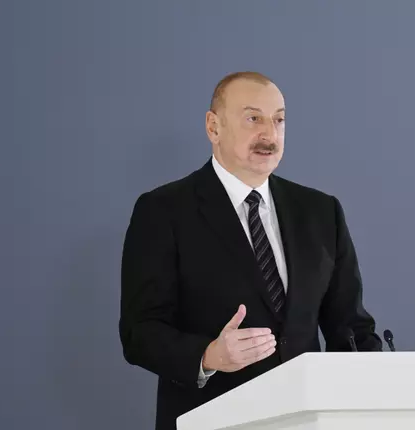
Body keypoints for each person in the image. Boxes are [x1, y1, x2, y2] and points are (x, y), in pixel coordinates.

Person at [119, 71, 382, 430]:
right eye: (253, 119)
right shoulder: (163, 211)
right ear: (214, 127)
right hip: (212, 419)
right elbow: (140, 332)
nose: (269, 135)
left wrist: (378, 385)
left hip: (305, 420)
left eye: (279, 120)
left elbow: (350, 327)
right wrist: (208, 355)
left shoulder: (321, 212)